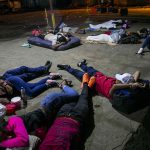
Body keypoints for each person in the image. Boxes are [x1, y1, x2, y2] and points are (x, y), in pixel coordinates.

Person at [0, 80, 81, 149]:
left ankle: (62, 85)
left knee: (75, 95)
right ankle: (63, 88)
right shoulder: (9, 134)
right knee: (67, 99)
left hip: (49, 104)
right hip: (49, 114)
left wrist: (3, 144)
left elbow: (24, 140)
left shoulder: (13, 122)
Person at [39, 73, 96, 150]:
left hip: (61, 115)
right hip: (77, 119)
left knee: (75, 98)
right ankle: (86, 85)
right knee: (84, 98)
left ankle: (84, 87)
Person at [57, 59, 146, 100]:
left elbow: (115, 86)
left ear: (122, 83)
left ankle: (67, 67)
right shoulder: (123, 83)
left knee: (77, 73)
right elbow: (137, 72)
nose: (117, 78)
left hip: (91, 82)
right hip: (98, 75)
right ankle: (81, 64)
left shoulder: (116, 92)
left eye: (119, 78)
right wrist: (135, 82)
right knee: (89, 68)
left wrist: (130, 85)